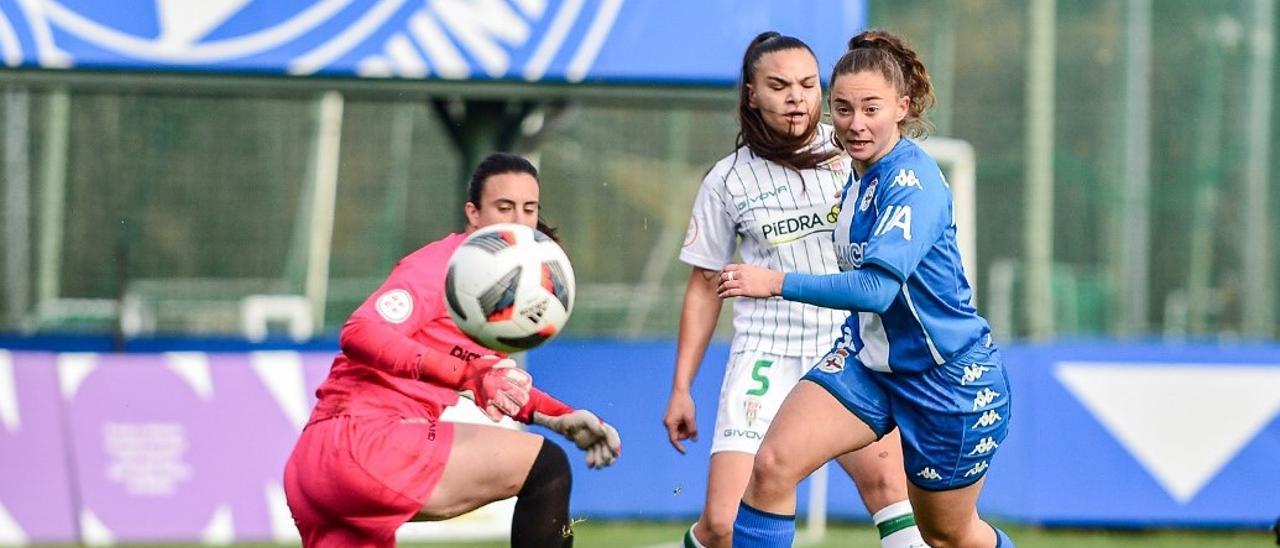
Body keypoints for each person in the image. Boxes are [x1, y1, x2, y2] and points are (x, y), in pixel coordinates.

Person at [719, 30, 1014, 548]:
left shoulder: (910, 183)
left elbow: (877, 289)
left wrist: (774, 283)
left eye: (871, 108)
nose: (855, 124)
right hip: (869, 364)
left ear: (901, 108)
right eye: (843, 108)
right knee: (772, 466)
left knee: (947, 535)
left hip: (946, 379)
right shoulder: (859, 175)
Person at [663, 31, 924, 548]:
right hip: (765, 351)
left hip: (845, 346)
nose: (796, 97)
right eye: (779, 86)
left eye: (808, 84)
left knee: (891, 490)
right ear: (751, 94)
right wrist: (680, 388)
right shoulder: (727, 181)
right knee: (721, 527)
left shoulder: (852, 149)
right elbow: (702, 285)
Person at [284, 153, 622, 548]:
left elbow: (484, 374)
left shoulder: (489, 286)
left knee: (545, 460)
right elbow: (360, 331)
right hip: (365, 443)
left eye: (529, 209)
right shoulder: (443, 265)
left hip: (316, 467)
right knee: (546, 469)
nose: (519, 220)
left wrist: (559, 417)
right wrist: (463, 374)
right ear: (473, 214)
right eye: (504, 207)